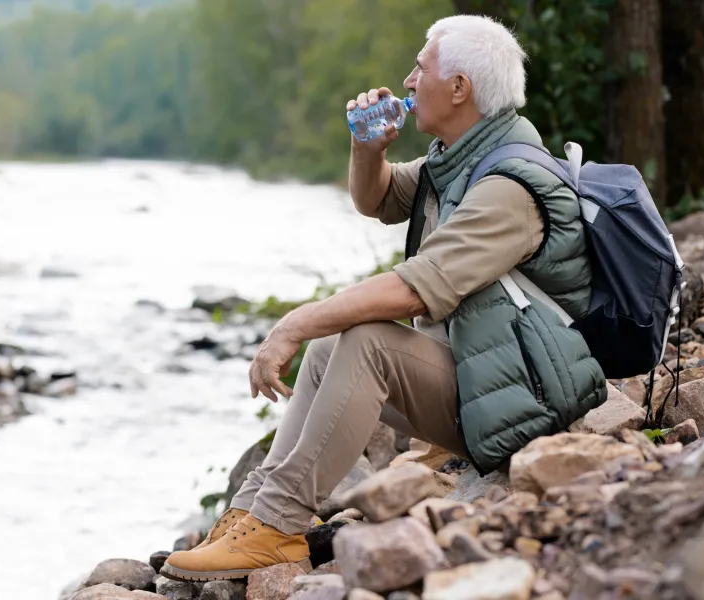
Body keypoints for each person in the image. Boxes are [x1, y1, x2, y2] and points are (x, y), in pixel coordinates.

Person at [161, 14, 606, 583]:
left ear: (460, 88)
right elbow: (379, 198)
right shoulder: (464, 158)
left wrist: (295, 323)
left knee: (367, 341)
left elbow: (411, 287)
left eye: (421, 67)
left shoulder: (508, 188)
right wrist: (366, 148)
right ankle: (253, 514)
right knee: (328, 354)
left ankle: (278, 529)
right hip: (488, 379)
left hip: (531, 398)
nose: (408, 78)